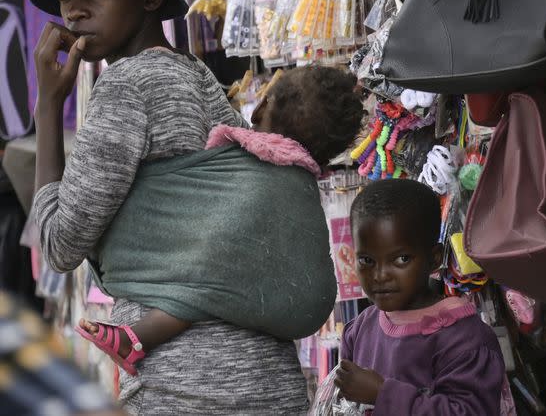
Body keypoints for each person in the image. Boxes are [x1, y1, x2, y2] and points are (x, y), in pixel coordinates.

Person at [29, 0, 360, 413]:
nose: (75, 9)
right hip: (269, 379)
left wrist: (49, 108)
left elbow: (60, 244)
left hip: (186, 386)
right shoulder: (201, 80)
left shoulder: (127, 86)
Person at [74, 64, 364, 376]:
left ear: (260, 108)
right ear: (330, 154)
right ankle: (134, 338)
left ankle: (137, 339)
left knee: (204, 284)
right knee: (213, 281)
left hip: (204, 281)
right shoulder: (301, 186)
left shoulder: (244, 151)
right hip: (260, 366)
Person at [335, 179, 506, 415]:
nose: (380, 275)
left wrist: (382, 394)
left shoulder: (464, 341)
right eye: (367, 260)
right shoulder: (359, 330)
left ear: (434, 259)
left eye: (401, 259)